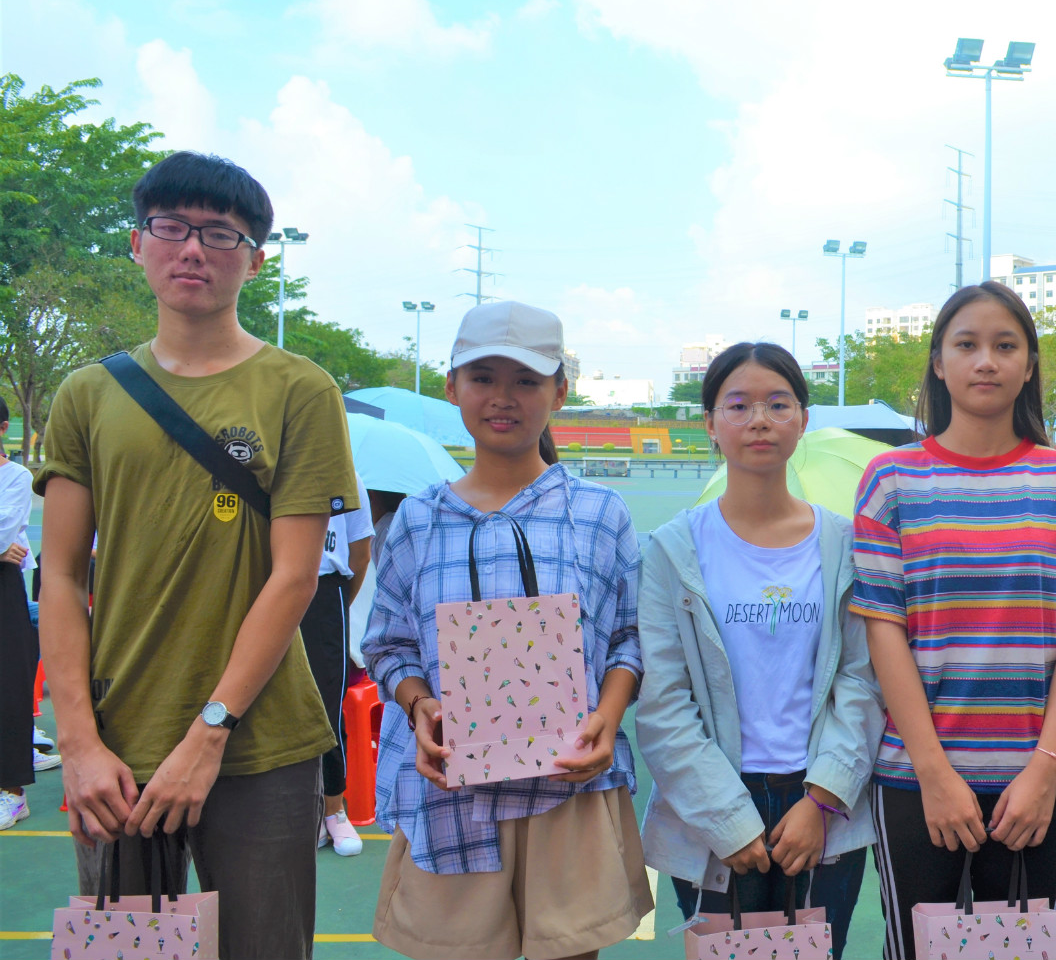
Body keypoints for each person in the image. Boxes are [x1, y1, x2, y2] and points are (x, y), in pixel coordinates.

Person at [35, 151, 358, 959]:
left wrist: (209, 731)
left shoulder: (300, 389)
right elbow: (61, 574)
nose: (192, 249)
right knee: (126, 949)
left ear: (255, 260)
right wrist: (77, 741)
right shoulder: (86, 394)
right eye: (171, 227)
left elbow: (295, 576)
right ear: (137, 243)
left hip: (261, 742)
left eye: (220, 234)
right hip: (116, 743)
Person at [852, 281, 1056, 960]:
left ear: (1029, 364)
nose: (986, 361)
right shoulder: (890, 480)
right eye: (967, 344)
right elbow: (884, 631)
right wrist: (934, 773)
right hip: (917, 781)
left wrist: (1044, 770)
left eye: (1005, 346)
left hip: (1037, 785)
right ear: (938, 361)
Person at [363, 301, 653, 960]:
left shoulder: (598, 512)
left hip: (569, 787)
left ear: (559, 392)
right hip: (450, 792)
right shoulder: (418, 519)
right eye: (482, 377)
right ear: (452, 387)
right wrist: (419, 704)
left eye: (526, 380)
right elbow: (388, 643)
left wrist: (607, 719)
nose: (503, 397)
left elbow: (629, 638)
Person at [636, 342, 884, 956]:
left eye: (778, 404)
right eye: (738, 405)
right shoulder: (673, 549)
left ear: (802, 419)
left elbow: (862, 680)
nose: (759, 421)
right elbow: (663, 702)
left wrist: (822, 799)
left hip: (820, 804)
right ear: (710, 423)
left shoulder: (845, 545)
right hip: (711, 803)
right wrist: (730, 818)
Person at [305, 474, 374, 856]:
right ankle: (303, 809)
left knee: (326, 706)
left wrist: (337, 607)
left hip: (324, 593)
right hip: (265, 588)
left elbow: (359, 554)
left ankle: (333, 809)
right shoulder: (266, 466)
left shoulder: (346, 476)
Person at [1, 397, 54, 832]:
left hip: (6, 592)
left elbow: (5, 531)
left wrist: (4, 550)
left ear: (3, 430)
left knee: (8, 687)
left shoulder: (16, 476)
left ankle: (12, 791)